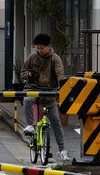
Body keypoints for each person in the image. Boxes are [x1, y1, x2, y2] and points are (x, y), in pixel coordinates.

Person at [19, 32, 69, 161]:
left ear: (48, 47)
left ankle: (62, 150)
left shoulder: (55, 59)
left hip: (49, 91)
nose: (39, 50)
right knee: (28, 99)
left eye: (41, 48)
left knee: (56, 121)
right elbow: (22, 73)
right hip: (33, 88)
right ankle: (30, 125)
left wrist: (61, 87)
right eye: (37, 48)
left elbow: (60, 74)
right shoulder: (31, 58)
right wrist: (28, 74)